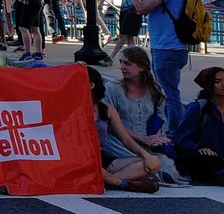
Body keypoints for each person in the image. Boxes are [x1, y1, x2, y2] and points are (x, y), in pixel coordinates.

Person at [117, 0, 189, 136]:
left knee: (168, 93)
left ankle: (174, 133)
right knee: (166, 91)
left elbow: (141, 8)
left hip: (168, 47)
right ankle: (169, 130)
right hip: (168, 46)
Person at [104, 47, 190, 184]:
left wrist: (157, 138)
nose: (122, 67)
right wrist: (143, 138)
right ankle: (115, 179)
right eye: (121, 63)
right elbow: (111, 124)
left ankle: (131, 177)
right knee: (147, 162)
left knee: (166, 165)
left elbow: (160, 118)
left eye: (127, 64)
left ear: (142, 67)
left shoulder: (154, 89)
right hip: (119, 140)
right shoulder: (113, 88)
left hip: (146, 141)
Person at [85, 65, 162, 193]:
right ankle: (122, 183)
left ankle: (107, 181)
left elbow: (126, 139)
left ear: (91, 85)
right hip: (82, 159)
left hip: (102, 159)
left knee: (151, 163)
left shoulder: (106, 109)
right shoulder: (73, 108)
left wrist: (146, 155)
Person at [174, 66, 224, 184]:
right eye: (217, 81)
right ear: (208, 84)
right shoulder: (198, 107)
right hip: (205, 158)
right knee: (207, 160)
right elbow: (181, 138)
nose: (223, 85)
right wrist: (197, 148)